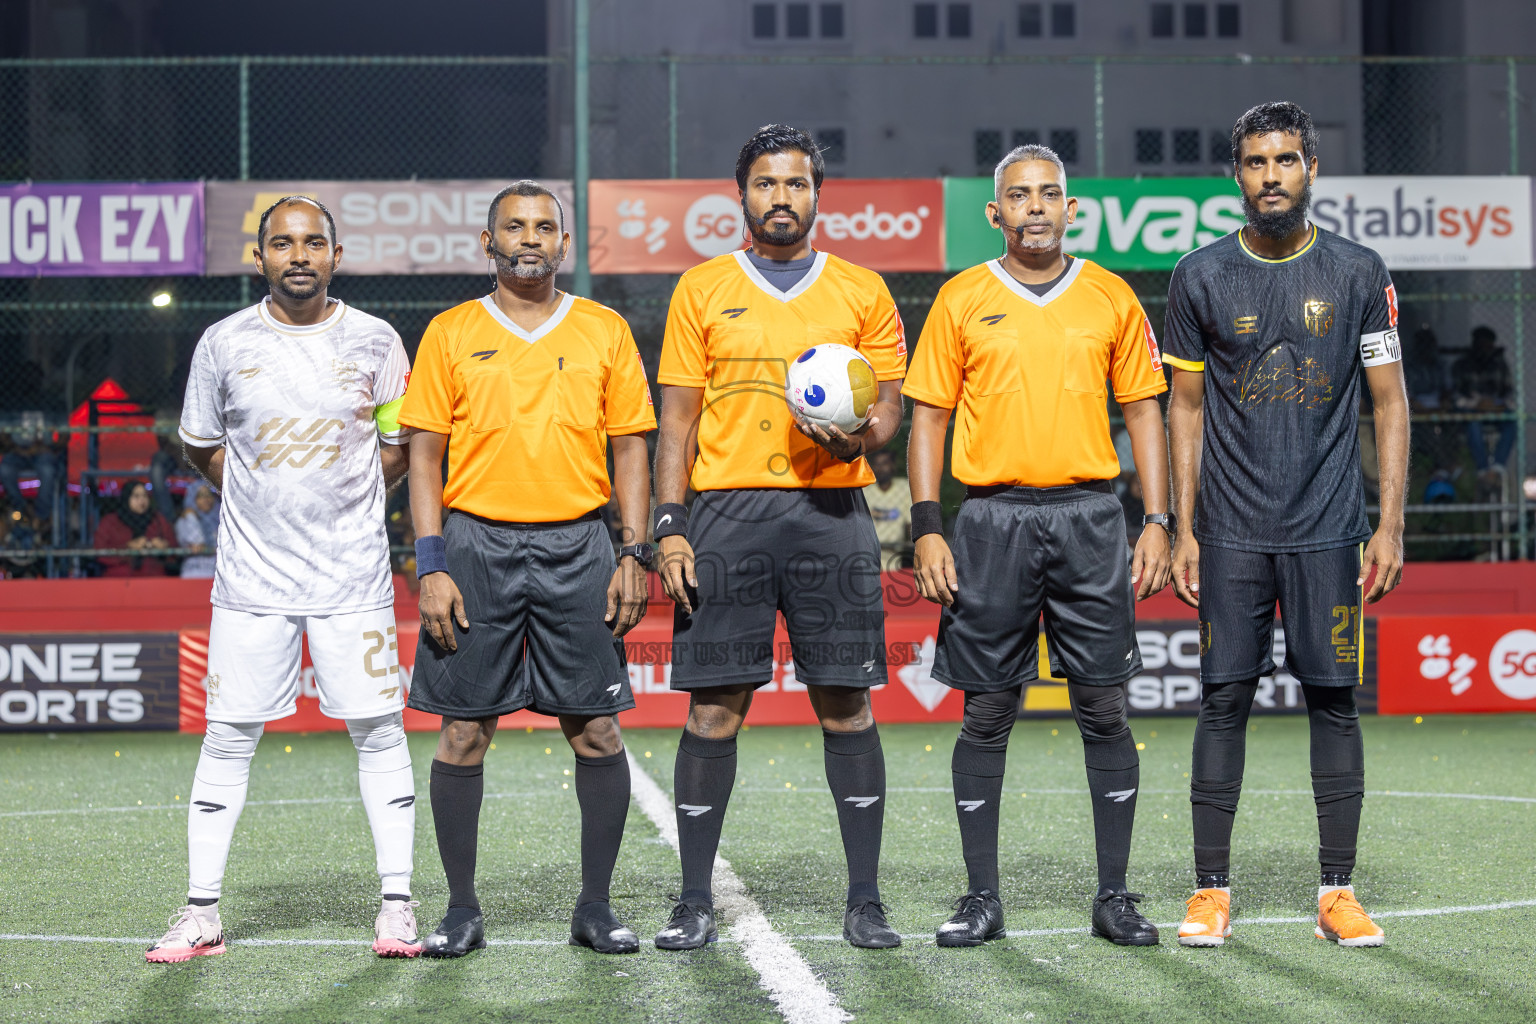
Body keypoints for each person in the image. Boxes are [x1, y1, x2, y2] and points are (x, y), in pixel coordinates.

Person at [906, 143, 1173, 948]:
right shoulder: (960, 298)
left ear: (1070, 209)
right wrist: (926, 524)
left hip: (1092, 517)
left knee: (1103, 706)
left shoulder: (1110, 296)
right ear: (996, 214)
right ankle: (980, 898)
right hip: (989, 522)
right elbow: (928, 416)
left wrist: (1158, 518)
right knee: (987, 711)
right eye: (1018, 196)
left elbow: (1144, 412)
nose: (1034, 208)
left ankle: (1115, 897)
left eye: (1048, 195)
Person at [652, 124, 908, 951]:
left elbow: (892, 405)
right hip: (726, 515)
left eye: (796, 184)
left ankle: (864, 900)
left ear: (818, 195)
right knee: (714, 709)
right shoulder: (700, 288)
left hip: (832, 513)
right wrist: (670, 525)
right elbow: (677, 422)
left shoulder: (864, 290)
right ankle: (693, 898)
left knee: (846, 703)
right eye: (766, 184)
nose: (782, 198)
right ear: (742, 194)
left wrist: (862, 438)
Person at [148, 196, 419, 962]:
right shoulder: (223, 341)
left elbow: (398, 443)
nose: (298, 255)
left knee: (378, 730)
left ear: (336, 254)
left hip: (352, 577)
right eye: (282, 243)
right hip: (250, 581)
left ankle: (395, 904)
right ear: (259, 256)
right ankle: (202, 912)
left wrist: (349, 500)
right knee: (229, 735)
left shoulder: (376, 341)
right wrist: (258, 492)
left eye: (312, 243)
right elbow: (199, 442)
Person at [1164, 102, 1408, 949]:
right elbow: (1184, 407)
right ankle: (1209, 893)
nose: (1272, 175)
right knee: (1222, 699)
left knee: (1334, 703)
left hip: (1330, 529)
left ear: (1313, 170)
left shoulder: (1358, 270)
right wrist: (1185, 525)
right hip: (1230, 532)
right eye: (1257, 162)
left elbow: (1389, 403)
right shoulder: (1198, 276)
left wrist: (1390, 524)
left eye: (1287, 160)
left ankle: (1337, 893)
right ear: (1235, 175)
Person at [400, 181, 656, 958]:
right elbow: (424, 454)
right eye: (514, 226)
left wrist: (634, 550)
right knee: (463, 736)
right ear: (488, 243)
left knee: (597, 731)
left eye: (546, 226)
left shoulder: (605, 330)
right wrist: (432, 563)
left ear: (565, 244)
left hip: (580, 544)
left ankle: (595, 907)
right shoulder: (449, 331)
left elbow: (631, 446)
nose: (531, 238)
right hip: (475, 546)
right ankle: (462, 910)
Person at [1451, 325, 1516, 484]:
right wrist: (1476, 404)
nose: (1485, 348)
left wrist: (1498, 405)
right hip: (1472, 409)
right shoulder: (1462, 365)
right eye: (1481, 344)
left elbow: (1509, 392)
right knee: (1472, 424)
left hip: (1495, 409)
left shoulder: (1499, 364)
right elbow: (1455, 395)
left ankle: (1497, 467)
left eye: (1488, 344)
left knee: (1511, 422)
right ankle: (1482, 469)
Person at [94, 480, 175, 577]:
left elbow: (174, 548)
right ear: (126, 498)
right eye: (136, 496)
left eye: (145, 496)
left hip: (154, 577)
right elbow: (99, 552)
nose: (142, 500)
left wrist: (164, 547)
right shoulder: (110, 521)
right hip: (119, 578)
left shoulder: (158, 520)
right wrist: (127, 548)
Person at [0, 423, 62, 528]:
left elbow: (62, 438)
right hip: (17, 452)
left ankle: (41, 516)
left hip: (44, 452)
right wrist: (17, 448)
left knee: (47, 470)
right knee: (5, 469)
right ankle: (22, 509)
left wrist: (45, 447)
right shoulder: (11, 412)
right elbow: (3, 436)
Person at [863, 449, 912, 569]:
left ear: (893, 465)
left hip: (894, 557)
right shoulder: (866, 490)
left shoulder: (904, 488)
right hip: (869, 555)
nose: (880, 468)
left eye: (884, 463)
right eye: (877, 464)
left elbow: (910, 524)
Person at [176, 483, 220, 579]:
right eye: (200, 496)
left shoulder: (221, 520)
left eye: (209, 495)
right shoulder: (184, 520)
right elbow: (197, 542)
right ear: (192, 499)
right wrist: (191, 517)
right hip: (193, 572)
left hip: (217, 574)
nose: (206, 499)